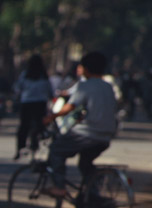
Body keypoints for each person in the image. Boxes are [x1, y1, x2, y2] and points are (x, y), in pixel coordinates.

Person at [43, 51, 117, 199]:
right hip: (106, 135)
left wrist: (50, 117)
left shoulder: (85, 86)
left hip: (88, 133)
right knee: (85, 163)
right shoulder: (108, 86)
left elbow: (70, 107)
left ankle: (59, 187)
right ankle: (93, 194)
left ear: (87, 68)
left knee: (56, 150)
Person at [13, 54, 53, 160]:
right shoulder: (44, 76)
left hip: (27, 102)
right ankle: (35, 144)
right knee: (39, 125)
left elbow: (18, 88)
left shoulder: (25, 75)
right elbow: (50, 91)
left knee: (24, 126)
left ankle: (19, 149)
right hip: (40, 103)